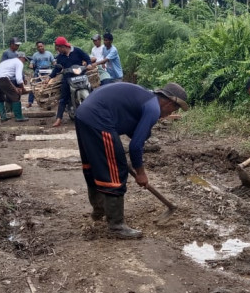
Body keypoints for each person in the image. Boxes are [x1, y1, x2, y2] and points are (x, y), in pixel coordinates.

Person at [75, 82, 189, 238]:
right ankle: (116, 225)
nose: (169, 114)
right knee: (115, 169)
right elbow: (135, 146)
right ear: (169, 102)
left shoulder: (145, 98)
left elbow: (130, 127)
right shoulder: (153, 108)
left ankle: (98, 212)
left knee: (95, 166)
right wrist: (141, 173)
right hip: (98, 118)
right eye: (174, 110)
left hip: (83, 114)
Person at [48, 36, 91, 127]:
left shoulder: (77, 51)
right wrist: (50, 77)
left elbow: (87, 58)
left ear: (63, 46)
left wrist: (89, 64)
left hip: (81, 76)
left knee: (92, 90)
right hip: (68, 79)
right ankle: (58, 119)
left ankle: (95, 113)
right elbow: (57, 68)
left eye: (58, 48)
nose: (57, 50)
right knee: (63, 98)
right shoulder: (60, 57)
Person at [0, 52, 30, 122]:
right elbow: (19, 79)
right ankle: (19, 117)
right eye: (24, 60)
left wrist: (14, 87)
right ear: (21, 58)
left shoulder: (9, 61)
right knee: (15, 95)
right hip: (2, 77)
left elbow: (8, 80)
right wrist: (23, 89)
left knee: (0, 96)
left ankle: (3, 117)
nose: (24, 62)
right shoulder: (19, 63)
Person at [27, 40, 55, 108]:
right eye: (38, 47)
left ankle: (51, 101)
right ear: (37, 48)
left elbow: (53, 61)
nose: (40, 48)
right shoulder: (35, 55)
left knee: (51, 86)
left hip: (48, 72)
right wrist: (31, 65)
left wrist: (56, 65)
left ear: (44, 46)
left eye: (41, 46)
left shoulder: (49, 53)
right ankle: (30, 102)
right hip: (38, 72)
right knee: (34, 86)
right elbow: (32, 62)